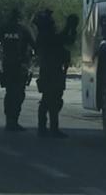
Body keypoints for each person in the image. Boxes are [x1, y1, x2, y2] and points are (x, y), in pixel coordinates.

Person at [34, 9, 79, 138]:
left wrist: (71, 28)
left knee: (51, 100)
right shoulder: (46, 36)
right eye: (51, 22)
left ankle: (46, 128)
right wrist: (69, 26)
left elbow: (66, 40)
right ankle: (49, 128)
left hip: (53, 70)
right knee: (51, 100)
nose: (54, 24)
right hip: (51, 71)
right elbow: (62, 39)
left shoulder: (45, 36)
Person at [0, 8, 35, 132]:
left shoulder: (4, 28)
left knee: (10, 93)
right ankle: (13, 121)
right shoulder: (24, 29)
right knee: (18, 94)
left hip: (7, 65)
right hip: (20, 66)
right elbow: (35, 45)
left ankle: (9, 121)